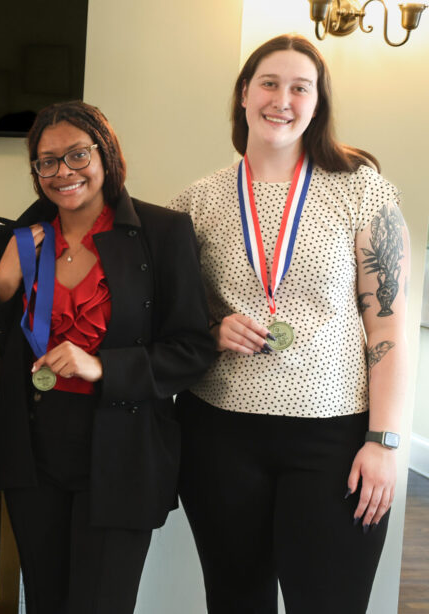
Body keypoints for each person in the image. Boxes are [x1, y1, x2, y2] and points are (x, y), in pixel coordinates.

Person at [170, 34, 409, 613]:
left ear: (318, 102)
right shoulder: (195, 202)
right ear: (244, 96)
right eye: (269, 83)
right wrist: (212, 328)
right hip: (220, 433)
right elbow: (170, 317)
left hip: (333, 436)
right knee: (235, 601)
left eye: (300, 87)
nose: (283, 99)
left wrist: (383, 440)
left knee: (329, 602)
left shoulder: (363, 191)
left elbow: (389, 330)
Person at [0, 100, 216, 614]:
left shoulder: (163, 232)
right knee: (44, 601)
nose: (62, 172)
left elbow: (193, 348)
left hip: (121, 455)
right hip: (34, 454)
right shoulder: (22, 238)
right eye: (46, 161)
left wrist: (103, 366)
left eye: (77, 155)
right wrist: (2, 287)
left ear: (106, 155)